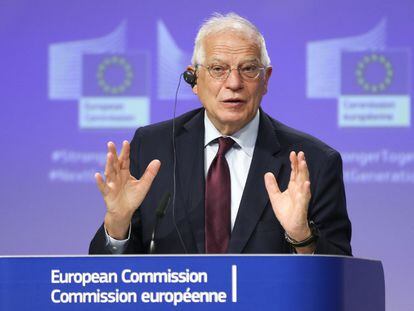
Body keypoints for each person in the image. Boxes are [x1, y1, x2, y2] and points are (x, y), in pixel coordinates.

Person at [89, 13, 352, 255]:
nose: (234, 83)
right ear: (193, 80)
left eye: (248, 69)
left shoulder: (314, 162)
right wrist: (117, 224)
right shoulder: (152, 147)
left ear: (266, 80)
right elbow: (106, 281)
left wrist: (301, 236)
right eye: (218, 69)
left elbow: (340, 280)